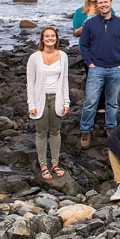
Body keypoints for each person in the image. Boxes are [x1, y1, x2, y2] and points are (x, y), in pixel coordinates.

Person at [79, 0, 120, 149]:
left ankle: (111, 128)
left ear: (111, 3)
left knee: (113, 102)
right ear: (97, 5)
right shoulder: (90, 24)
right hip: (97, 68)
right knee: (90, 101)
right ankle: (85, 131)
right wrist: (89, 63)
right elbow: (83, 45)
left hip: (115, 68)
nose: (103, 5)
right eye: (100, 2)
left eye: (105, 2)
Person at [26, 27, 70, 180]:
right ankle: (43, 165)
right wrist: (31, 104)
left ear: (56, 39)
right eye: (47, 36)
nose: (50, 38)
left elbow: (64, 79)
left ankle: (55, 163)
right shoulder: (35, 57)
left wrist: (66, 101)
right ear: (42, 39)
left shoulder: (63, 56)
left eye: (53, 36)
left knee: (55, 132)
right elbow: (30, 83)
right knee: (41, 133)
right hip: (40, 99)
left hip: (56, 98)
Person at [72, 0, 111, 120]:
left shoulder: (104, 8)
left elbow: (113, 23)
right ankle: (91, 106)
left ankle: (102, 106)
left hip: (103, 48)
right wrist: (86, 26)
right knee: (91, 77)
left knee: (105, 77)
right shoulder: (80, 12)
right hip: (87, 49)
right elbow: (75, 32)